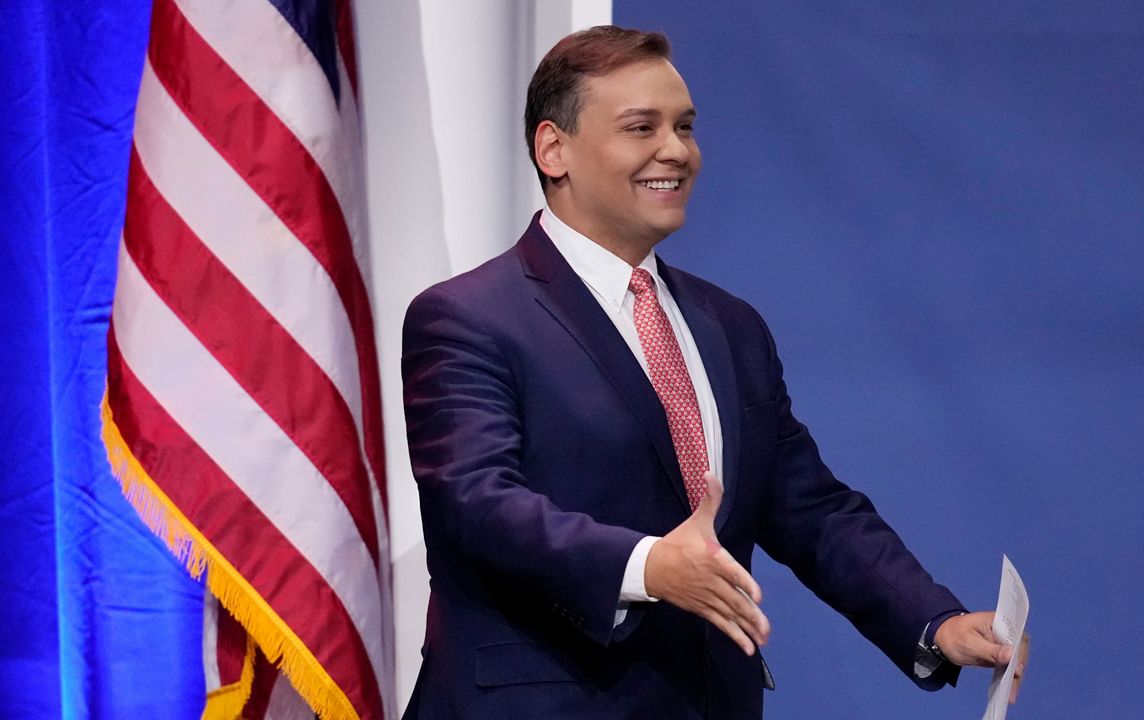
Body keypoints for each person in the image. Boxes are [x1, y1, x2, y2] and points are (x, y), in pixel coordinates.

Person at [401, 25, 1028, 720]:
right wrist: (646, 567)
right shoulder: (467, 316)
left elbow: (811, 510)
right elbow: (476, 504)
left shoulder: (729, 326)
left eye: (685, 127)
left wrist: (934, 625)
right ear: (555, 149)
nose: (676, 150)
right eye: (642, 127)